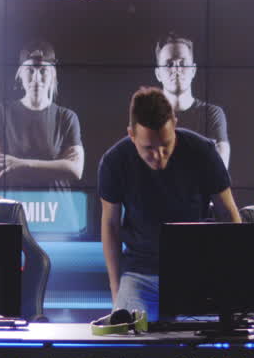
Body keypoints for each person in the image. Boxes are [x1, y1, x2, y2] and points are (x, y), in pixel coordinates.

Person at [99, 87, 241, 320]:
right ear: (131, 134)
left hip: (198, 270)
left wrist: (233, 278)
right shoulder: (114, 162)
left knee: (214, 335)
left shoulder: (203, 151)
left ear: (174, 124)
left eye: (166, 144)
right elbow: (111, 226)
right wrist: (116, 292)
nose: (159, 155)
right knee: (125, 331)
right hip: (139, 274)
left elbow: (228, 213)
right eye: (149, 148)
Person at [0, 40, 84, 188]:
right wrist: (57, 166)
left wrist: (19, 164)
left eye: (43, 71)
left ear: (53, 75)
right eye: (30, 71)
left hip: (56, 203)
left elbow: (76, 170)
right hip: (15, 202)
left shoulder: (67, 117)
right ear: (20, 74)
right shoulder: (2, 112)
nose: (36, 79)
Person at [153, 32, 230, 168]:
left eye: (183, 63)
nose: (176, 69)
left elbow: (218, 170)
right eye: (169, 64)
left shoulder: (212, 114)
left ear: (193, 70)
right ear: (158, 74)